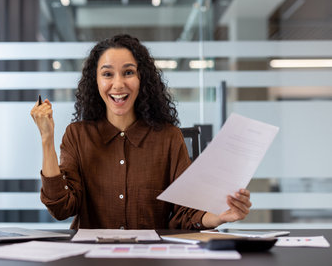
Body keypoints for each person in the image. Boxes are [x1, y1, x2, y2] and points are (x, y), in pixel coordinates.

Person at [30, 34, 251, 230]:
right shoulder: (77, 135)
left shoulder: (169, 137)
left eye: (128, 72)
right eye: (107, 74)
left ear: (141, 78)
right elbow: (61, 207)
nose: (118, 84)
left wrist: (220, 217)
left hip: (151, 258)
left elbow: (186, 213)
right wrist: (46, 139)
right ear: (95, 81)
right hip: (92, 258)